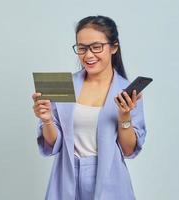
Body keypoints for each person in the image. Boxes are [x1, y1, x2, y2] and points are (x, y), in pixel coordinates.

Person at [32, 15, 147, 200]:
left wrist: (124, 116)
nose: (88, 55)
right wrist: (46, 120)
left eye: (96, 47)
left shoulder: (127, 91)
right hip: (66, 179)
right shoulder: (62, 85)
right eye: (82, 48)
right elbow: (53, 145)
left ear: (114, 47)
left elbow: (128, 150)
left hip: (110, 181)